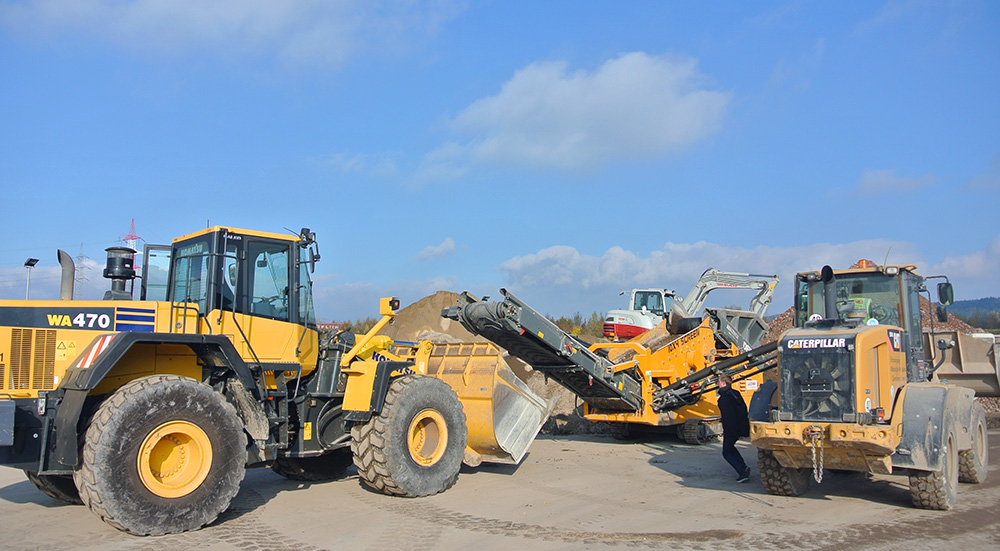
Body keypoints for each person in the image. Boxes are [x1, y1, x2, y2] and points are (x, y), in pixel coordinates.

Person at [717, 374, 751, 483]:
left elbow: (729, 417)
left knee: (726, 452)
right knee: (730, 448)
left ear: (723, 383)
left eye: (718, 381)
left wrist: (734, 432)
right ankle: (743, 467)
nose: (717, 383)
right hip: (740, 426)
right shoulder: (735, 393)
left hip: (732, 429)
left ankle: (742, 472)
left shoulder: (724, 399)